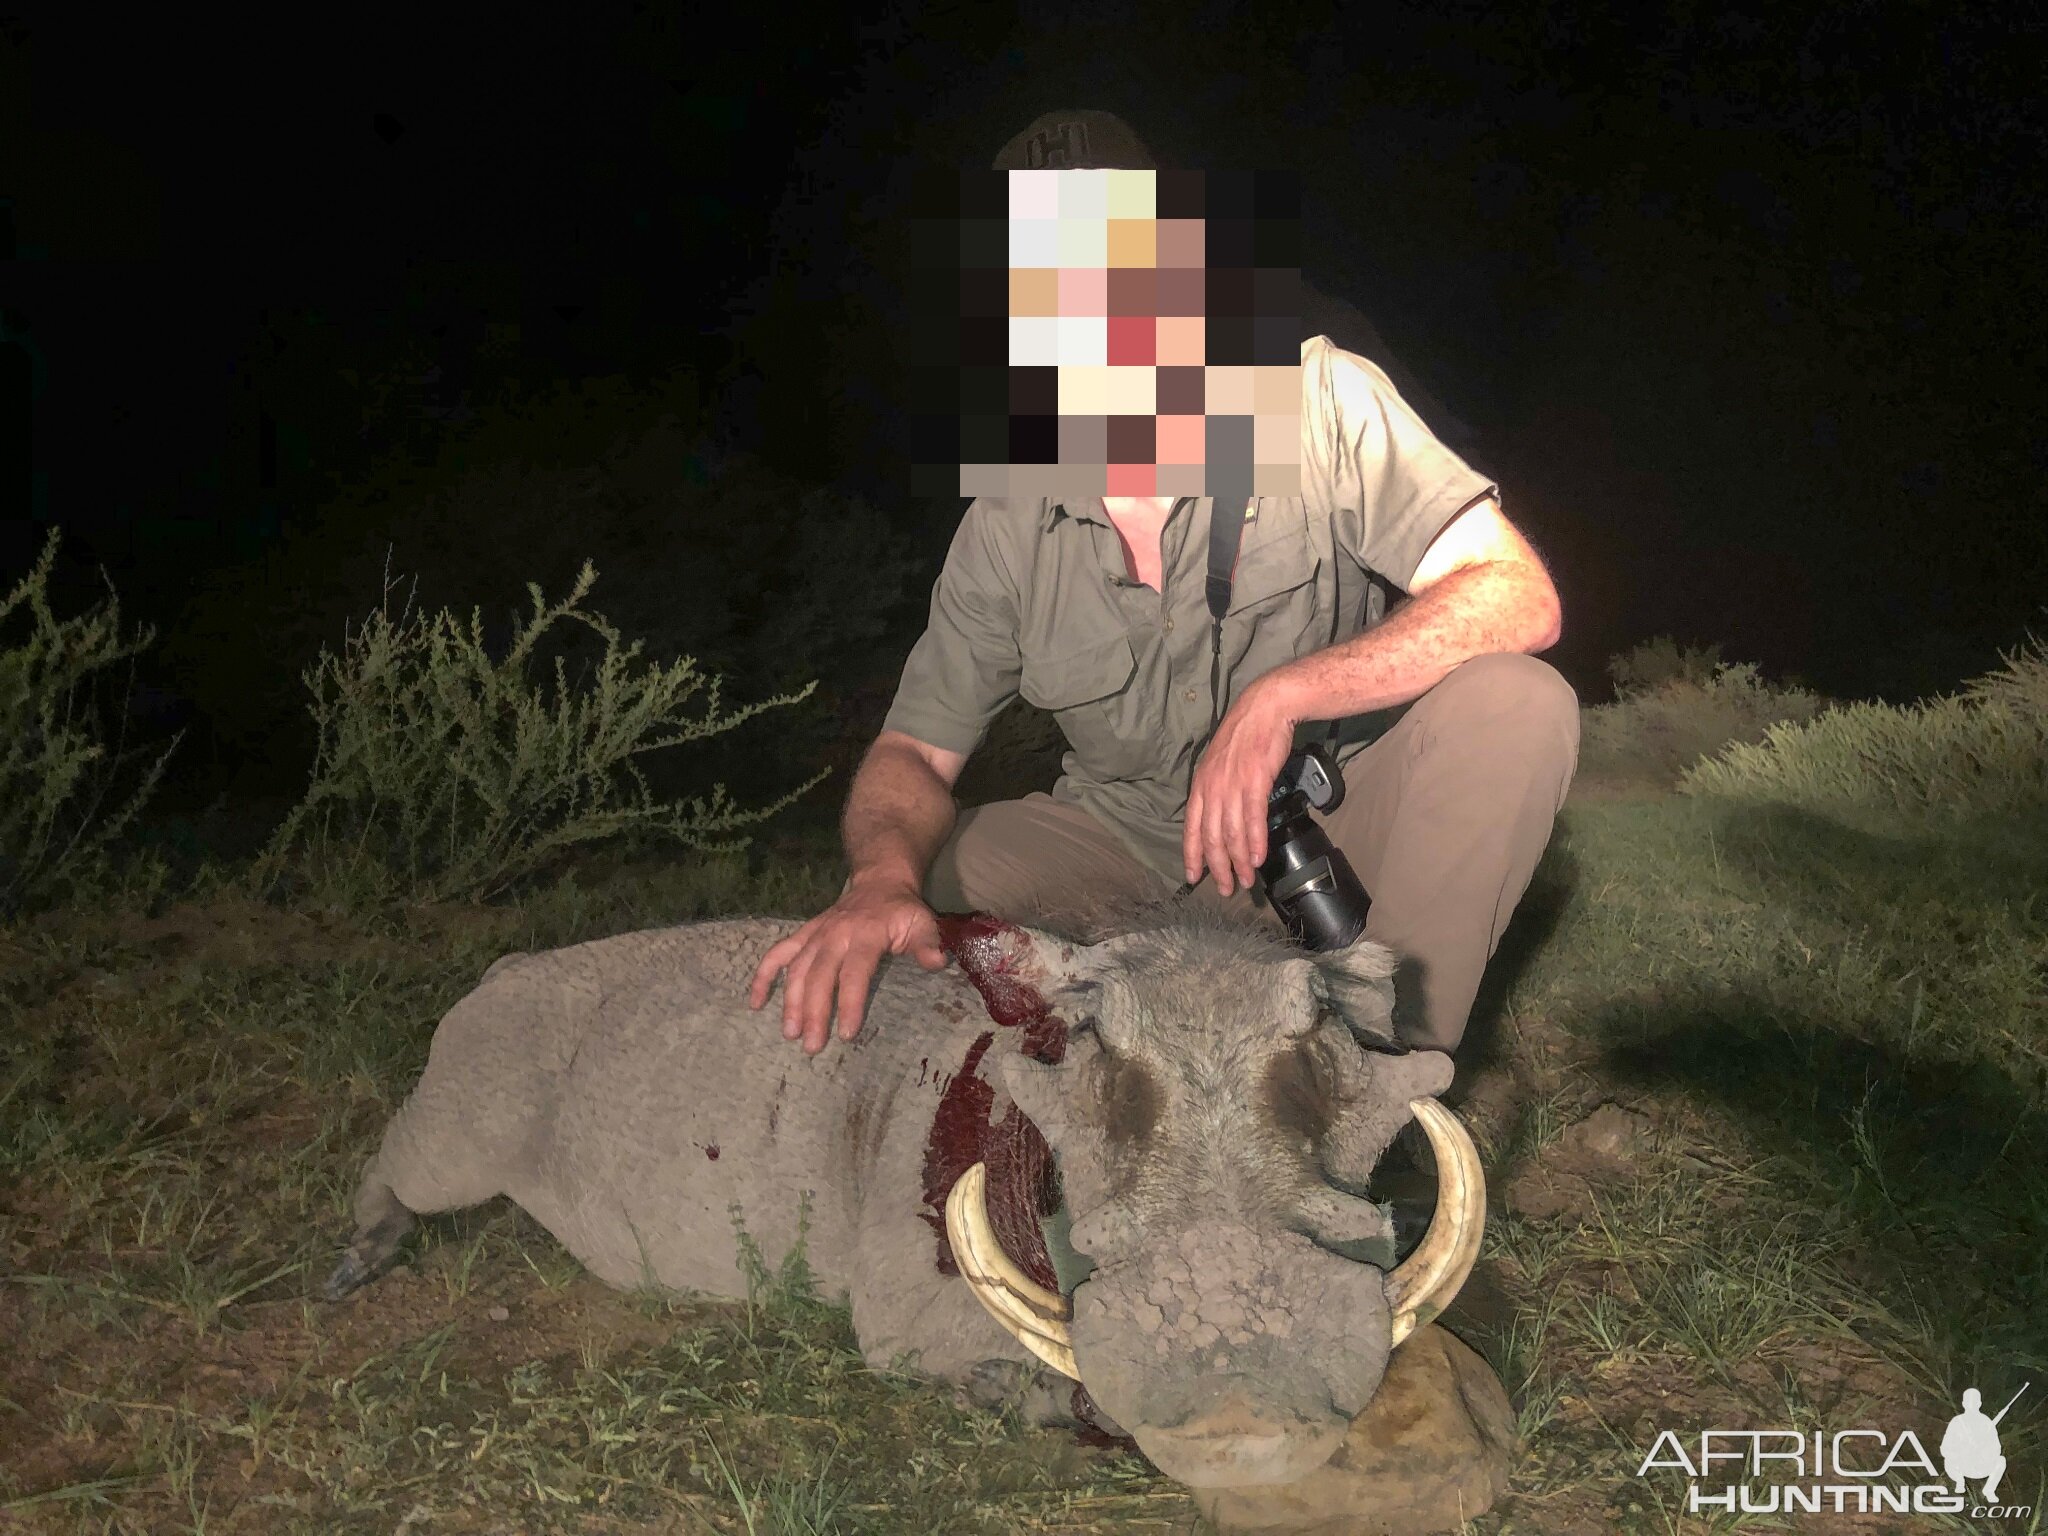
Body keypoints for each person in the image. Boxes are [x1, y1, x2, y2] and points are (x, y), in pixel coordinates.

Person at [748, 111, 1579, 1064]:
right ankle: (1032, 1101)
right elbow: (913, 754)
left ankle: (1388, 1081)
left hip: (1325, 818)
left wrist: (1288, 696)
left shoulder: (1319, 401)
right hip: (1124, 846)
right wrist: (879, 882)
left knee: (1517, 704)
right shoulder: (1009, 511)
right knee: (921, 867)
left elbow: (1517, 594)